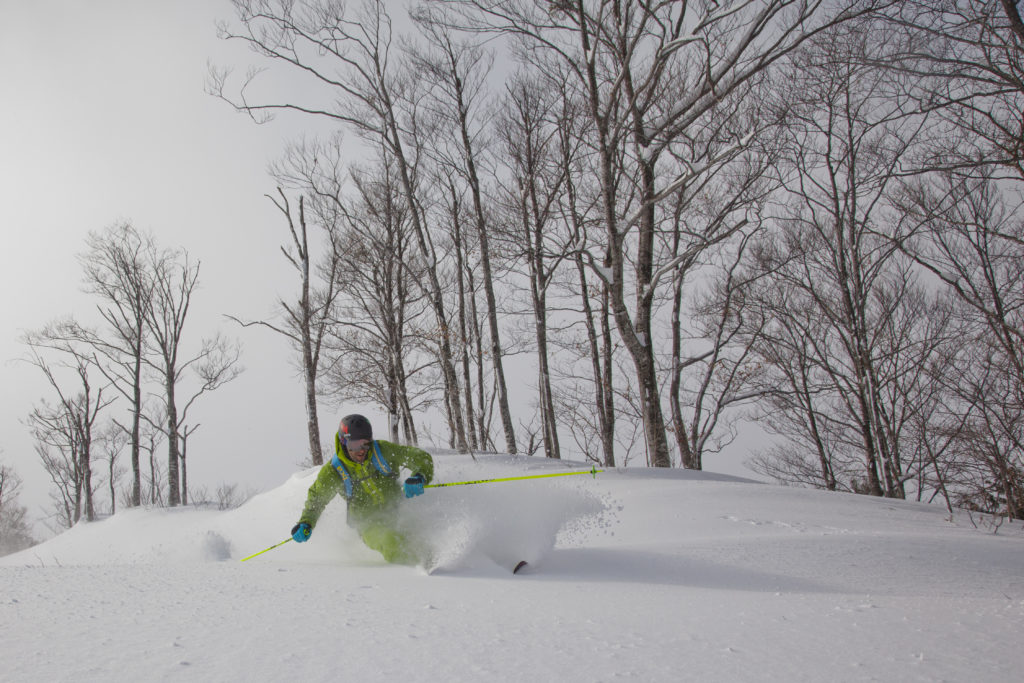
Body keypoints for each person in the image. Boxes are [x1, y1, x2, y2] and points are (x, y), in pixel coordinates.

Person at [290, 413, 434, 565]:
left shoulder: (382, 452)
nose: (361, 450)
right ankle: (419, 568)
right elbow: (317, 498)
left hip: (399, 511)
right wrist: (306, 522)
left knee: (420, 536)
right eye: (354, 445)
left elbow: (420, 458)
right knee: (390, 541)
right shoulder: (334, 471)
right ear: (343, 443)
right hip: (369, 524)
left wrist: (419, 476)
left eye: (365, 444)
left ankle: (437, 561)